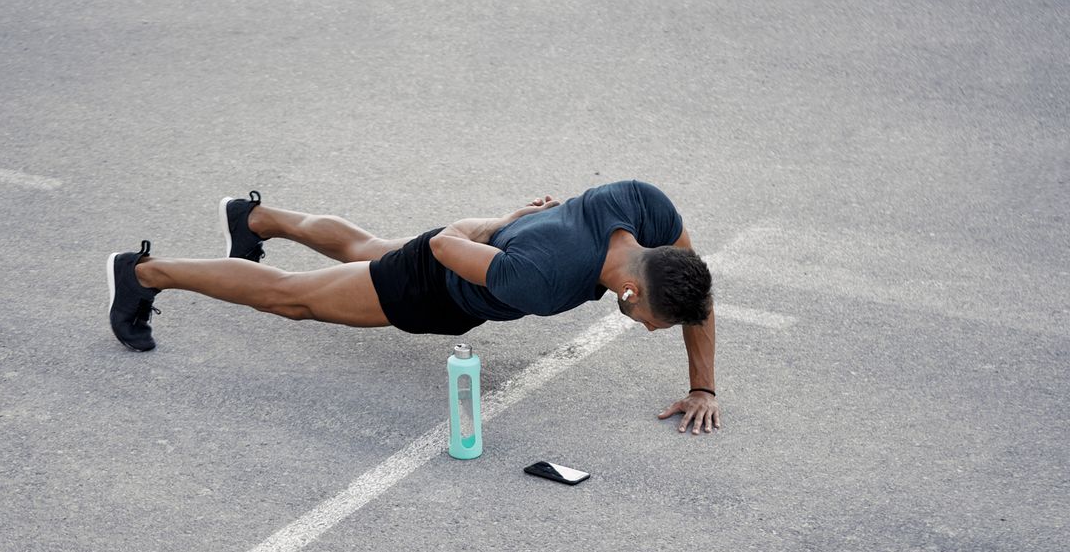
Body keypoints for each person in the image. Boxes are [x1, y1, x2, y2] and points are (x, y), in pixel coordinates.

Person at [106, 180, 720, 435]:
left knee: (363, 247)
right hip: (437, 282)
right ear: (632, 292)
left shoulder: (646, 207)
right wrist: (501, 225)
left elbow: (696, 297)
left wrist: (704, 388)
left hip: (493, 251)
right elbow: (443, 246)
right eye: (651, 324)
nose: (646, 330)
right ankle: (142, 273)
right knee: (292, 298)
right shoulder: (538, 281)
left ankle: (254, 217)